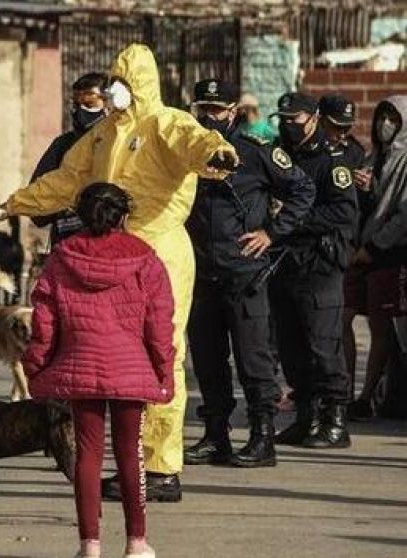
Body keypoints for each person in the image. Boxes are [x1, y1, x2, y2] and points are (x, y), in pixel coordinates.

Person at [0, 43, 237, 503]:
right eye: (114, 81)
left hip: (160, 253)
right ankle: (130, 462)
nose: (113, 91)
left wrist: (220, 153)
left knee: (161, 355)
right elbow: (65, 182)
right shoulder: (103, 135)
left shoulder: (166, 123)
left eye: (122, 82)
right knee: (110, 359)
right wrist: (9, 206)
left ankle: (161, 467)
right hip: (113, 253)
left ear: (140, 85)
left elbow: (198, 143)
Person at [25, 183, 173, 558]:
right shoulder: (146, 259)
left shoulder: (61, 258)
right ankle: (136, 542)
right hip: (131, 368)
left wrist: (36, 366)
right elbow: (160, 323)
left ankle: (89, 545)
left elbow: (44, 323)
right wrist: (164, 371)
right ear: (123, 216)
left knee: (87, 454)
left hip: (80, 366)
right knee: (130, 452)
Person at [183, 80, 315, 468]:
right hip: (202, 272)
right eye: (203, 110)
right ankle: (216, 435)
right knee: (207, 359)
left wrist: (271, 233)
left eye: (217, 111)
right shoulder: (186, 150)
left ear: (233, 112)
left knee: (253, 359)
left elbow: (302, 190)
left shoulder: (256, 152)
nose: (209, 118)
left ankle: (261, 438)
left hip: (244, 273)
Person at [270, 92, 358, 448]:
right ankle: (306, 416)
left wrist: (293, 219)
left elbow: (344, 212)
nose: (290, 125)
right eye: (285, 119)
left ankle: (335, 420)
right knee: (291, 344)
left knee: (323, 345)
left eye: (297, 119)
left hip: (319, 264)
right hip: (285, 262)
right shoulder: (279, 155)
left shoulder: (331, 161)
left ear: (314, 118)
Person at [346, 96, 407, 420]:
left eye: (393, 118)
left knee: (385, 328)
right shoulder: (375, 156)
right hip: (364, 251)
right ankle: (345, 393)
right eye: (382, 117)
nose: (386, 124)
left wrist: (376, 246)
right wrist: (366, 188)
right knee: (346, 318)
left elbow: (402, 215)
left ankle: (368, 394)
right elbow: (368, 206)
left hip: (389, 253)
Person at [30, 72, 109, 246]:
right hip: (67, 248)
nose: (81, 112)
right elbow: (37, 201)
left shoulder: (118, 146)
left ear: (108, 105)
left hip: (108, 248)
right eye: (76, 105)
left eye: (89, 104)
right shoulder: (62, 146)